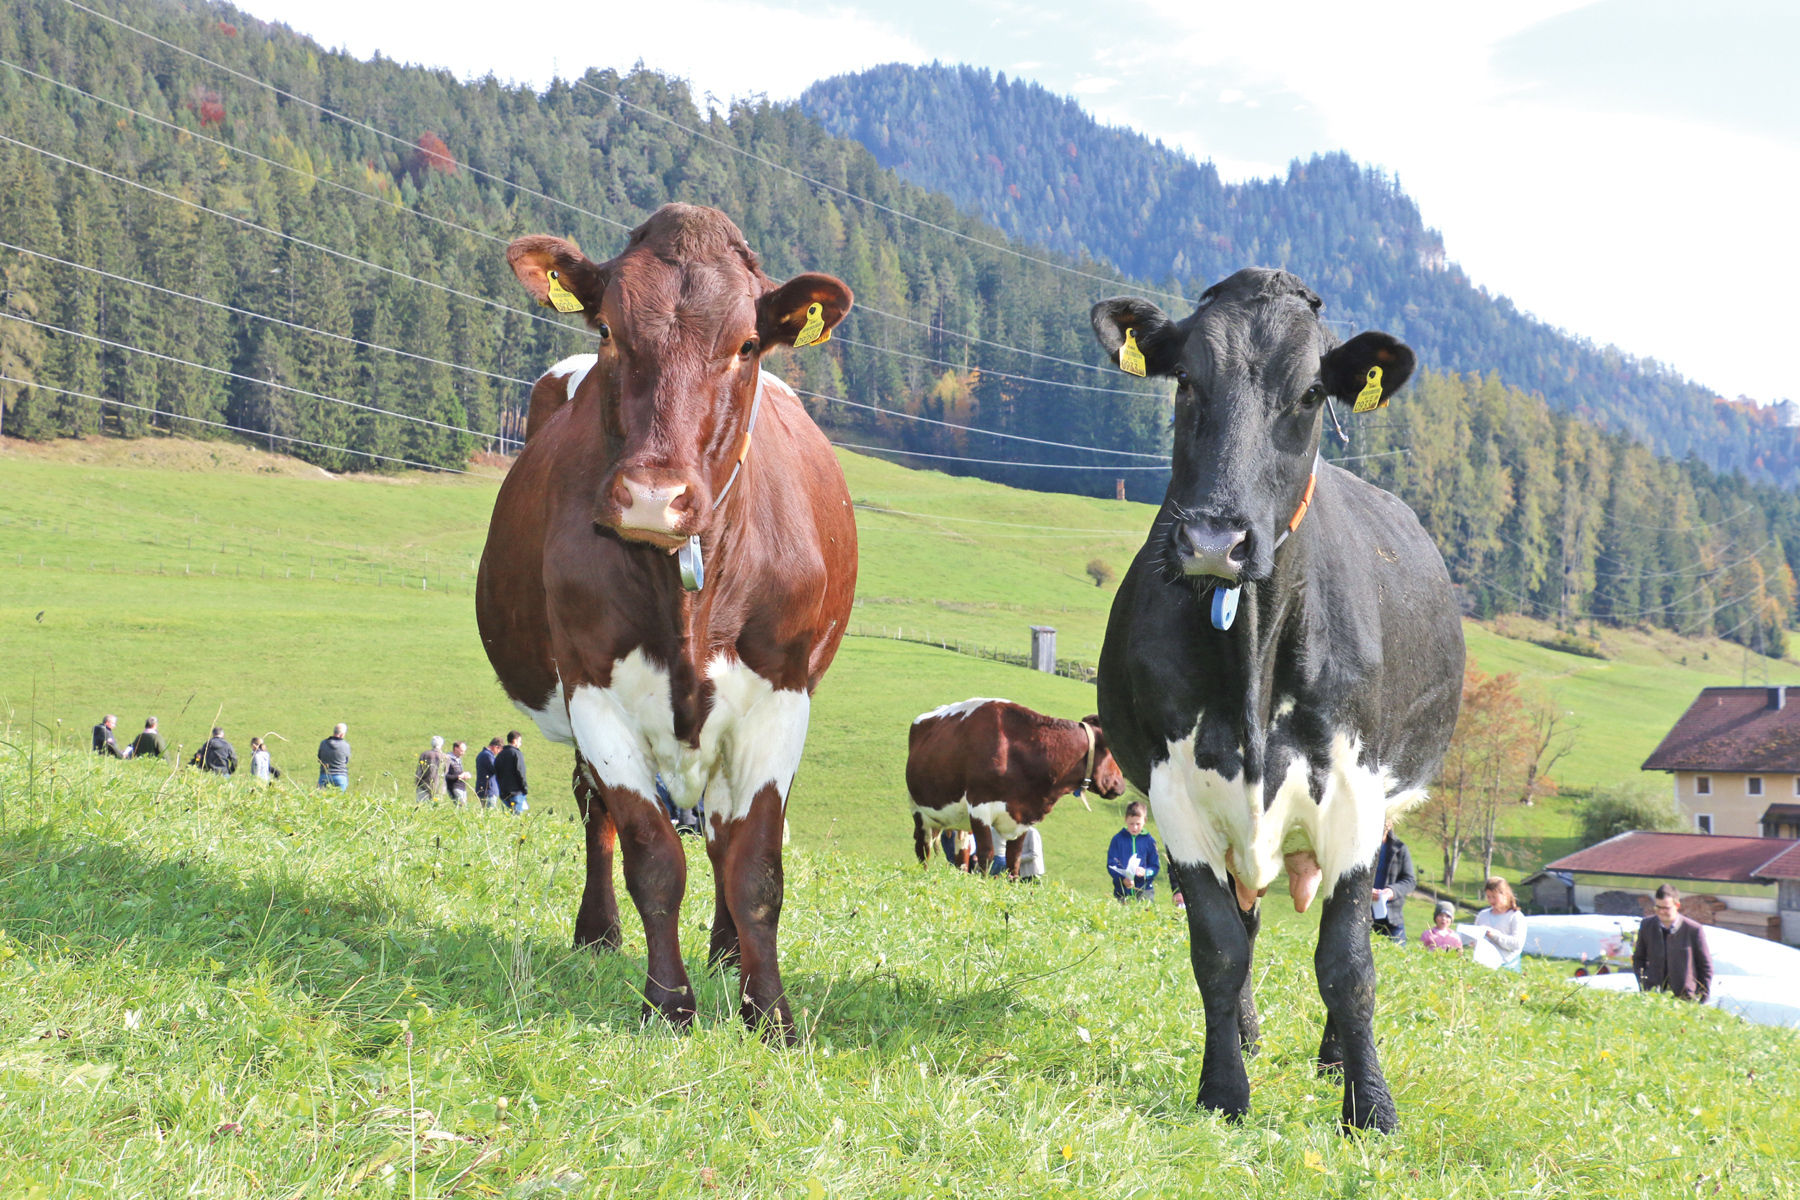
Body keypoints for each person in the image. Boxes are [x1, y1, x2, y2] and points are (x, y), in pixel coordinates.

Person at [1632, 883, 1713, 1002]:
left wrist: (1701, 997)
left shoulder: (1693, 930)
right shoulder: (1647, 926)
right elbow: (1639, 959)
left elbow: (1705, 966)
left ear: (1677, 905)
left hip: (1685, 999)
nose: (1661, 912)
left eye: (1666, 908)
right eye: (1658, 907)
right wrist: (1644, 984)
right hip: (1653, 997)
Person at [1369, 823, 1417, 944]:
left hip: (1392, 918)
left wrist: (1391, 892)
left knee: (1398, 957)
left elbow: (1410, 881)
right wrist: (1365, 891)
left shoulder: (1400, 848)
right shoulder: (1360, 847)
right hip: (1363, 915)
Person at [1107, 800, 1160, 901]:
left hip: (1145, 891)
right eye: (1131, 824)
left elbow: (1155, 866)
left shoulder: (1149, 841)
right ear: (1126, 820)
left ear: (1145, 821)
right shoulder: (1117, 839)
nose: (1134, 827)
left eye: (1138, 824)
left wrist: (1146, 872)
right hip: (1122, 891)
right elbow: (1111, 864)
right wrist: (1122, 879)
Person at [1471, 877, 1527, 970]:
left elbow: (1517, 944)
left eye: (1494, 897)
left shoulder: (1516, 916)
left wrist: (1494, 936)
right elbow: (1475, 938)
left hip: (1507, 965)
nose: (1491, 901)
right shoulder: (1482, 915)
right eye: (1488, 897)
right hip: (1483, 965)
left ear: (1505, 895)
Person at [494, 730, 529, 813]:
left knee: (508, 819)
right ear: (514, 740)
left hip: (504, 794)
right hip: (516, 792)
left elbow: (497, 773)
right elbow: (520, 772)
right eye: (519, 741)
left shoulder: (500, 755)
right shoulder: (516, 753)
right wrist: (525, 788)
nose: (520, 744)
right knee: (517, 820)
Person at [317, 723, 351, 790]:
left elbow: (319, 757)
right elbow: (346, 761)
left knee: (320, 797)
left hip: (325, 775)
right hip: (340, 776)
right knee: (340, 799)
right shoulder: (345, 745)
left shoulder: (323, 743)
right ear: (342, 734)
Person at [415, 736, 448, 804]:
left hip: (423, 786)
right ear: (441, 744)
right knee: (436, 808)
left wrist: (417, 782)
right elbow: (445, 772)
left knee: (421, 807)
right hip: (439, 787)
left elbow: (419, 771)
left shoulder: (425, 754)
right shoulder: (445, 757)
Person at [473, 737, 503, 809]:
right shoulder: (488, 756)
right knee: (489, 812)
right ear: (496, 747)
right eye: (499, 750)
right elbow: (496, 769)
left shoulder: (482, 754)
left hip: (483, 789)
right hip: (488, 790)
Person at [445, 741, 471, 807]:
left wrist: (465, 774)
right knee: (462, 807)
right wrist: (459, 776)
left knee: (463, 807)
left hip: (462, 786)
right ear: (456, 748)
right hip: (454, 786)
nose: (463, 753)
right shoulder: (447, 758)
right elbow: (445, 775)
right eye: (462, 751)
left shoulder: (458, 759)